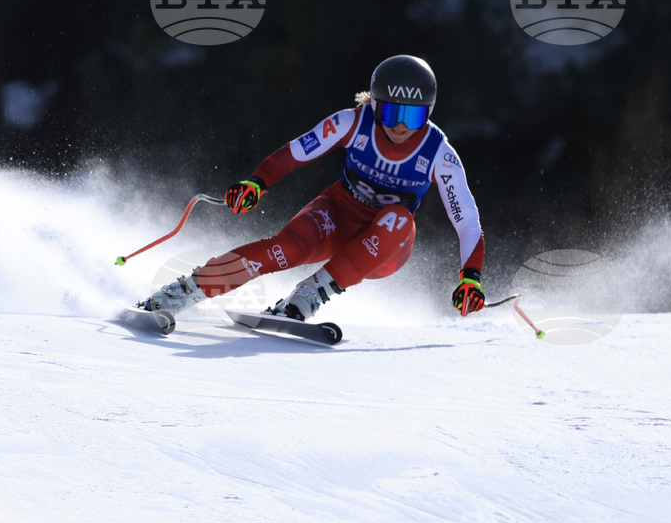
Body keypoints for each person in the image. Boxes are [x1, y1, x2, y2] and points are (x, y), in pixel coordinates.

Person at [138, 55, 486, 323]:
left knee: (398, 218)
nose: (399, 126)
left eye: (412, 118)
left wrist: (470, 277)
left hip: (386, 247)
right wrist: (258, 182)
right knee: (283, 250)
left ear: (428, 114)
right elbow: (296, 152)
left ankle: (309, 295)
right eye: (392, 112)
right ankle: (184, 291)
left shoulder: (440, 154)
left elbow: (467, 221)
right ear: (375, 105)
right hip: (337, 214)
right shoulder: (352, 121)